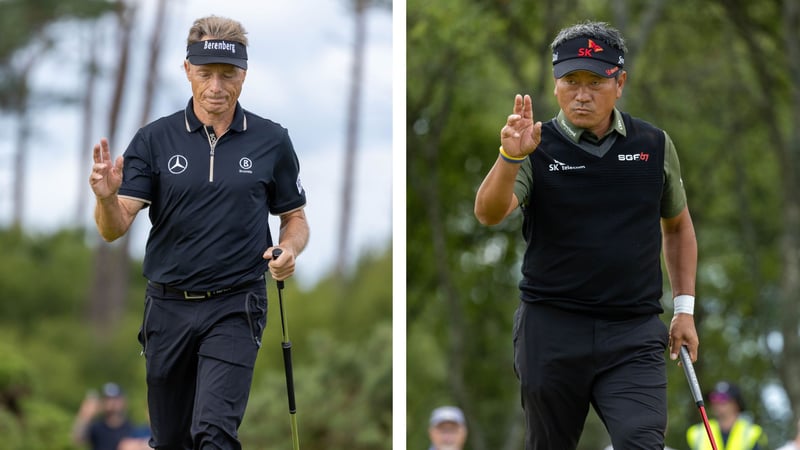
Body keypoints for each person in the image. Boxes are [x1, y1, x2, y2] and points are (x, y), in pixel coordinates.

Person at [474, 20, 699, 449]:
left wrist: (684, 310)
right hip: (551, 328)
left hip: (632, 332)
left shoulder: (653, 144)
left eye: (595, 81)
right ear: (555, 84)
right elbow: (489, 213)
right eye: (570, 81)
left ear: (620, 83)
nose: (581, 93)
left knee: (641, 441)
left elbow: (678, 226)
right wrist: (508, 156)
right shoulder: (533, 144)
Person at [88, 15, 309, 449]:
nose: (216, 88)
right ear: (187, 70)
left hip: (236, 303)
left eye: (228, 75)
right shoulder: (154, 140)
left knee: (213, 434)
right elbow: (114, 229)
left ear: (243, 75)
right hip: (167, 306)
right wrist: (106, 198)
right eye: (205, 74)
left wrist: (289, 250)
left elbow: (294, 218)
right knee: (170, 440)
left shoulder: (272, 140)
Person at [686, 381, 767, 450]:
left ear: (736, 404)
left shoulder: (752, 433)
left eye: (722, 398)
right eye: (713, 398)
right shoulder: (698, 432)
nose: (716, 402)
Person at [71, 383, 135, 450]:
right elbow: (78, 440)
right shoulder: (97, 427)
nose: (112, 403)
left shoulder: (130, 428)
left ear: (123, 401)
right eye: (108, 399)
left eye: (115, 399)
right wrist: (85, 415)